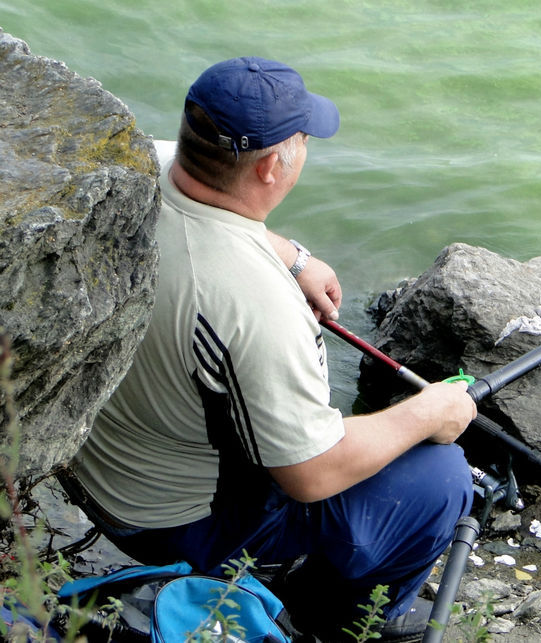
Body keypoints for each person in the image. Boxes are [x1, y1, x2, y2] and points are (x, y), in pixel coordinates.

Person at [65, 56, 477, 641]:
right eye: (302, 139)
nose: (305, 150)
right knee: (440, 478)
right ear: (268, 169)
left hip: (94, 465)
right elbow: (312, 474)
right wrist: (430, 411)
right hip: (173, 524)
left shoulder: (134, 161)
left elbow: (206, 211)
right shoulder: (252, 304)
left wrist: (292, 256)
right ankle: (342, 618)